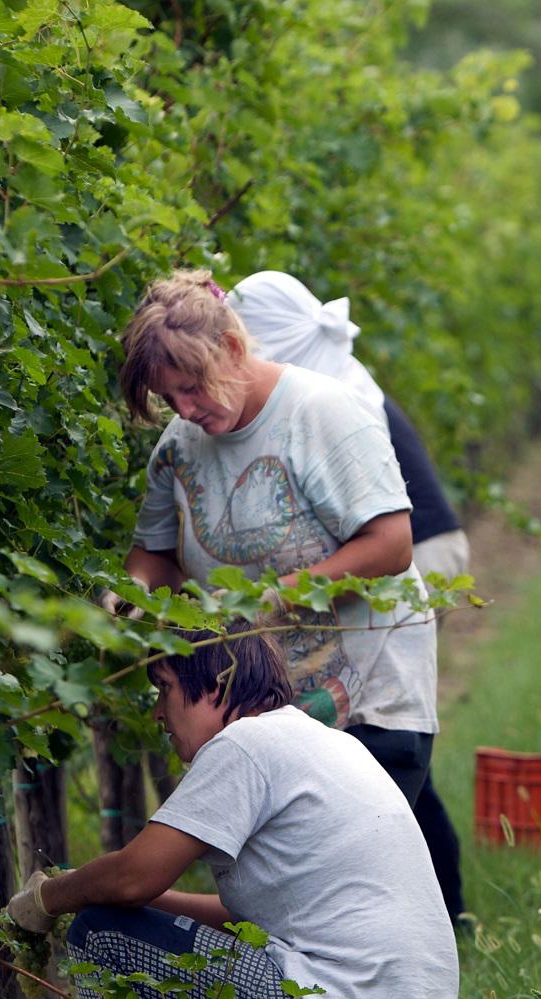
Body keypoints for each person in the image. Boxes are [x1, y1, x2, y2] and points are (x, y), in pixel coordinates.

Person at [4, 626, 458, 999]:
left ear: (216, 684)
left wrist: (48, 897)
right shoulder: (327, 744)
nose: (159, 712)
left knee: (101, 935)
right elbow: (242, 914)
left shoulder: (245, 744)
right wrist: (146, 909)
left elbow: (132, 876)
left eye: (164, 689)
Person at [117, 270, 439, 809]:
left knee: (336, 872)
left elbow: (391, 543)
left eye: (192, 388)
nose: (185, 410)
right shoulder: (180, 446)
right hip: (268, 713)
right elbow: (154, 555)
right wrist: (131, 590)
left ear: (232, 346)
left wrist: (276, 594)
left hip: (366, 703)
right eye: (169, 398)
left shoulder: (321, 413)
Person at [226, 271, 471, 927]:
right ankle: (444, 908)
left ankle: (430, 907)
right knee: (385, 741)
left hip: (420, 553)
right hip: (420, 547)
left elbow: (374, 535)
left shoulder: (328, 393)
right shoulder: (327, 365)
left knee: (377, 734)